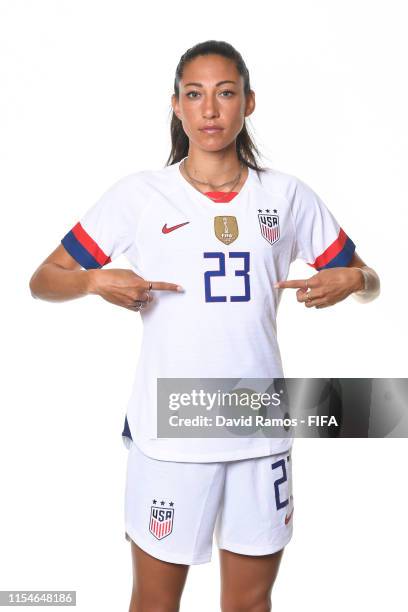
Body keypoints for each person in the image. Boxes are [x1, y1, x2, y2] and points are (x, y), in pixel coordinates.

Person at [29, 40, 380, 612]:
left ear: (249, 103)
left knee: (249, 604)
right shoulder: (141, 195)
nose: (210, 109)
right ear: (176, 106)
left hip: (259, 425)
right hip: (171, 431)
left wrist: (355, 282)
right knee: (154, 604)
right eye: (195, 95)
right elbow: (45, 278)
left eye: (225, 93)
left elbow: (367, 278)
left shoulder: (287, 196)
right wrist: (96, 281)